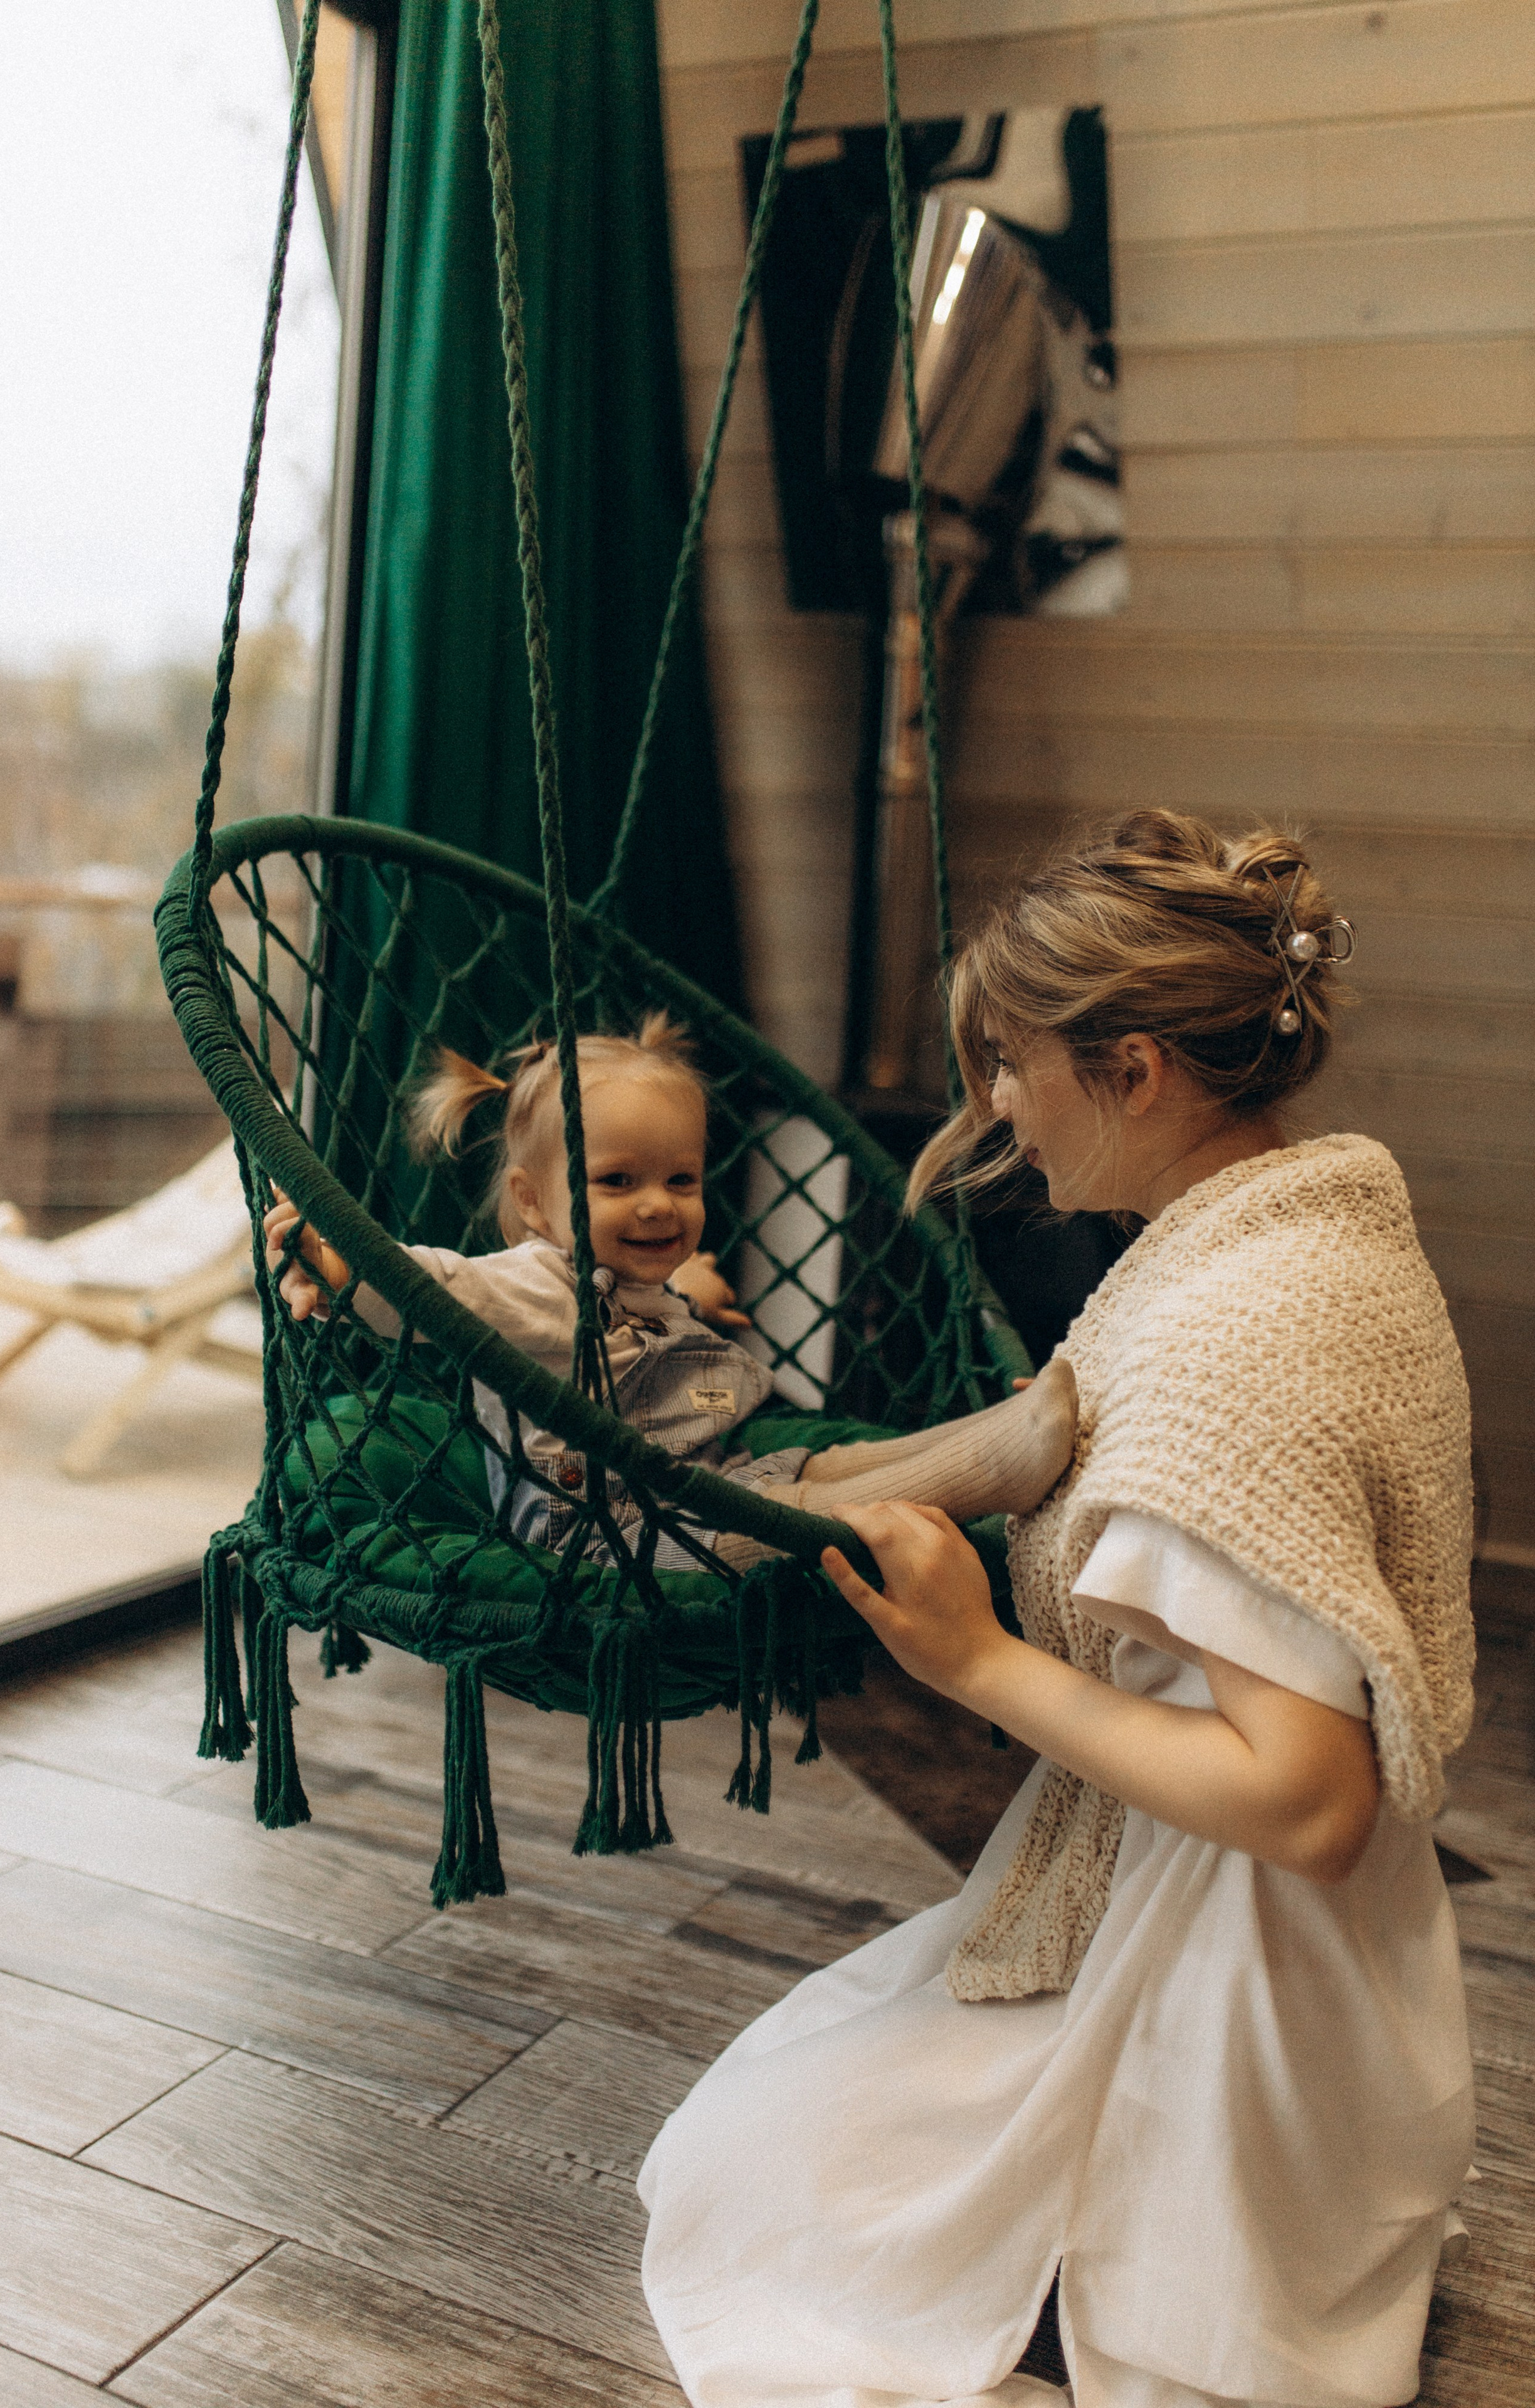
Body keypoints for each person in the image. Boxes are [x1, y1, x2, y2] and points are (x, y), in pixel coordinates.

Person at [636, 811, 1477, 2408]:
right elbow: (1061, 1412)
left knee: (768, 2194)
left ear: (1137, 1069)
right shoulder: (1300, 1231)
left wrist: (971, 1660)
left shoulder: (1231, 1356)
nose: (994, 1104)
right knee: (792, 2123)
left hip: (1234, 1992)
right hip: (1334, 1969)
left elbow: (1302, 1802)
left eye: (1010, 1062)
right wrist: (793, 1489)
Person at [262, 1014, 1077, 1571]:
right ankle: (991, 1472)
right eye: (617, 1181)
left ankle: (997, 1426)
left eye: (681, 1179)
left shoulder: (625, 1279)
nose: (658, 1204)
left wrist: (683, 1288)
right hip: (600, 1533)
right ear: (535, 1201)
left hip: (693, 1477)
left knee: (818, 1465)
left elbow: (649, 1320)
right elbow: (433, 1287)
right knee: (797, 1512)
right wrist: (342, 1271)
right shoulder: (531, 1287)